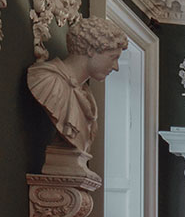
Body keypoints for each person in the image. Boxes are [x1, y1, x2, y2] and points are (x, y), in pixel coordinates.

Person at [27, 16, 130, 176]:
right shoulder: (47, 80)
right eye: (113, 58)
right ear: (90, 50)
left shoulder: (87, 98)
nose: (116, 67)